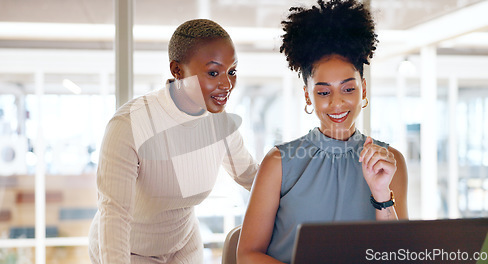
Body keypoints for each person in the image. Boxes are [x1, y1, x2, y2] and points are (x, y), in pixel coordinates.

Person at [237, 1, 408, 263]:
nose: (337, 103)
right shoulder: (278, 163)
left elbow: (399, 257)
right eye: (324, 92)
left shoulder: (388, 161)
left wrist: (382, 194)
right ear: (308, 95)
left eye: (348, 89)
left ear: (363, 88)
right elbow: (248, 255)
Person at [88, 19, 259, 264]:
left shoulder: (219, 123)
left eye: (232, 71)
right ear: (177, 71)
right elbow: (114, 215)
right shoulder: (129, 125)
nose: (226, 84)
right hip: (129, 251)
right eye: (213, 72)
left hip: (183, 245)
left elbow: (252, 176)